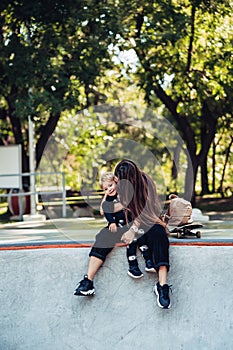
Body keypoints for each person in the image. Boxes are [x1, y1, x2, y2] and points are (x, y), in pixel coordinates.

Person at [74, 159, 171, 309]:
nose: (117, 183)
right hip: (124, 221)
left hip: (146, 221)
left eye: (120, 180)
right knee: (104, 235)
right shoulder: (117, 184)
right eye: (116, 180)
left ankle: (162, 285)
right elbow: (104, 209)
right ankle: (88, 281)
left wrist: (132, 231)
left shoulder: (146, 182)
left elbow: (144, 211)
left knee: (159, 235)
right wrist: (108, 198)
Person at [99, 172, 155, 279]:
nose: (109, 189)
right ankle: (133, 266)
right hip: (121, 225)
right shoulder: (108, 201)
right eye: (105, 189)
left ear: (116, 182)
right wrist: (111, 222)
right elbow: (104, 211)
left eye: (110, 185)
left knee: (141, 234)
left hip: (132, 223)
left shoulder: (124, 193)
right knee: (132, 240)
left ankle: (148, 261)